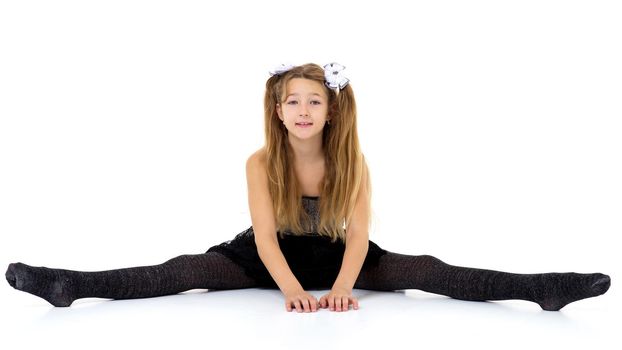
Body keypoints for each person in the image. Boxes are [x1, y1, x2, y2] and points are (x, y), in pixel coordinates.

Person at [5, 62, 611, 313]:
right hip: (267, 258)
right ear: (276, 109)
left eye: (313, 101)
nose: (301, 110)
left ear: (331, 112)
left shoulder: (354, 161)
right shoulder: (259, 161)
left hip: (333, 252)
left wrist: (344, 289)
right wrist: (293, 292)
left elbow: (360, 237)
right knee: (182, 269)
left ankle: (540, 289)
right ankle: (71, 285)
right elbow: (266, 241)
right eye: (290, 101)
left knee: (426, 268)